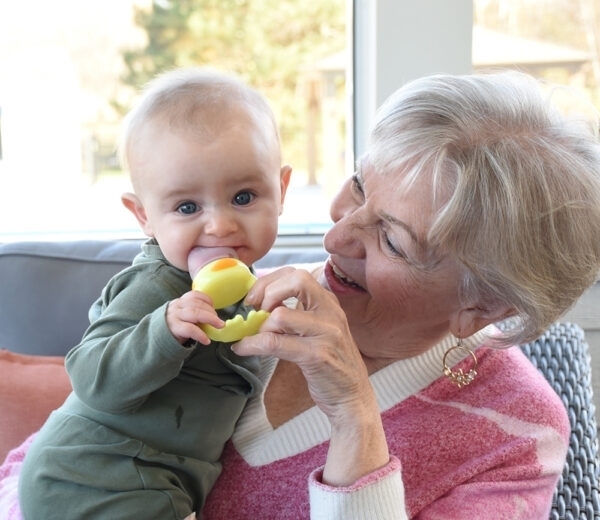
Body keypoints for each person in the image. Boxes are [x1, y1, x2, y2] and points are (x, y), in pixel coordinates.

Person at [3, 70, 600, 520]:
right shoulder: (228, 289)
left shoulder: (514, 434)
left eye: (390, 239)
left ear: (485, 305)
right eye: (358, 186)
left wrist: (354, 417)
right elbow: (62, 445)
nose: (336, 236)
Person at [17, 67, 291, 519]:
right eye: (187, 207)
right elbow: (89, 376)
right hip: (94, 475)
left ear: (280, 191)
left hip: (157, 483)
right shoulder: (157, 286)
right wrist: (163, 330)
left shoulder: (250, 285)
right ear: (143, 215)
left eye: (244, 197)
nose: (220, 225)